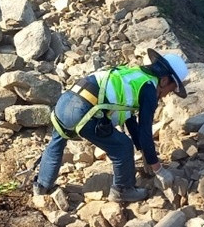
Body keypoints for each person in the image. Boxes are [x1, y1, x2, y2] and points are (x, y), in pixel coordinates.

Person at [34, 49, 189, 204]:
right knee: (122, 147)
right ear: (164, 80)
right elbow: (145, 130)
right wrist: (158, 169)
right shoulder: (149, 88)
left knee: (57, 141)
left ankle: (42, 185)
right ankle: (123, 190)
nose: (168, 94)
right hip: (83, 111)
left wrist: (145, 152)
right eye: (171, 88)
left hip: (66, 102)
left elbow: (131, 119)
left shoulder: (134, 74)